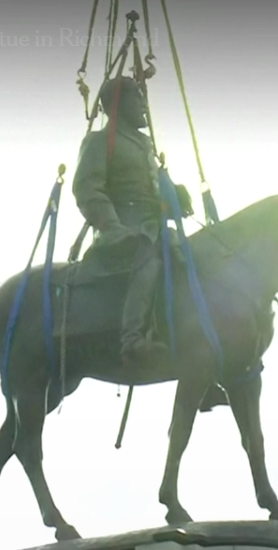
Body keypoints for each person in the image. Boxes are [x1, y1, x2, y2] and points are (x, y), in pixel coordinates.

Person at [71, 75, 193, 369]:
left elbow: (151, 186)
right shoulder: (100, 141)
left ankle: (196, 344)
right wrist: (113, 228)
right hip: (124, 231)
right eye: (137, 97)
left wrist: (175, 194)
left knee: (193, 262)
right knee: (148, 260)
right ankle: (132, 340)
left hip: (156, 227)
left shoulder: (144, 145)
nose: (143, 104)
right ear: (117, 104)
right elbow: (87, 188)